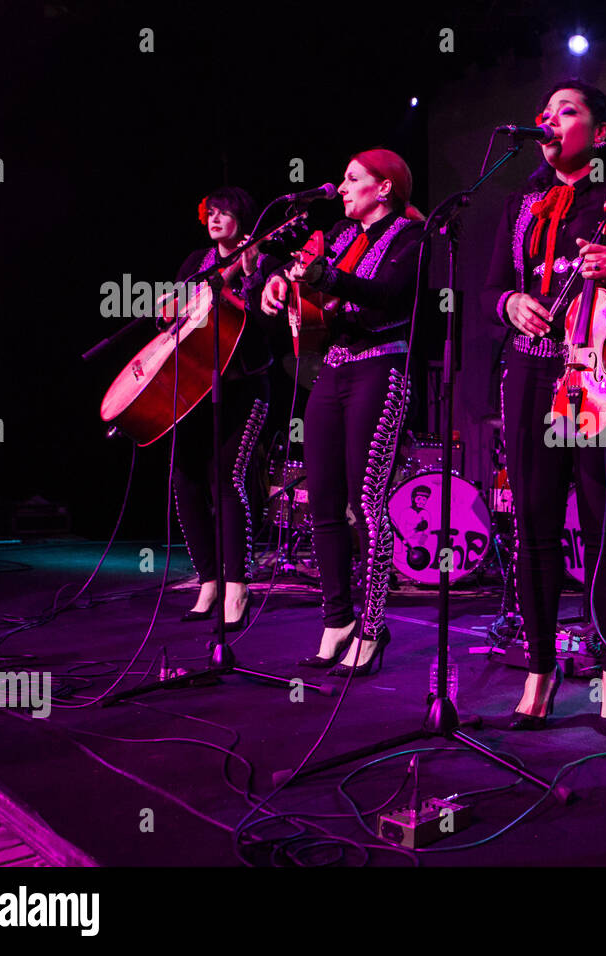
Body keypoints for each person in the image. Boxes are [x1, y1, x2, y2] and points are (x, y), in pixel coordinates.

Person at [482, 80, 606, 736]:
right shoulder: (525, 202)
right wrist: (509, 304)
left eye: (566, 110)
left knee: (603, 528)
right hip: (531, 372)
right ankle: (539, 671)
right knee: (533, 529)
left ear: (600, 134)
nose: (548, 118)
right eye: (545, 110)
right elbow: (492, 288)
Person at [259, 149, 425, 675]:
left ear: (385, 188)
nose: (343, 186)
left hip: (382, 365)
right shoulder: (343, 238)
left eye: (354, 179)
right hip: (334, 368)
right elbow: (301, 277)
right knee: (323, 500)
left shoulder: (411, 237)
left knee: (367, 503)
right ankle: (337, 619)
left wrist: (322, 277)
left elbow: (387, 296)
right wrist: (281, 282)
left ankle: (374, 628)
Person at [173, 186, 272, 629]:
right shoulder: (196, 262)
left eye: (224, 212)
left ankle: (238, 585)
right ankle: (208, 580)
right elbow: (172, 312)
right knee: (186, 478)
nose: (214, 219)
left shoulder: (263, 261)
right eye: (209, 212)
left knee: (228, 480)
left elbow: (263, 325)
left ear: (243, 218)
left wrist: (242, 285)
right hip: (194, 387)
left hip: (243, 386)